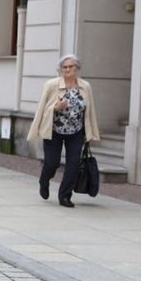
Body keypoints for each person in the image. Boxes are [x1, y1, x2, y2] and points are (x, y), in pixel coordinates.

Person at [28, 54, 100, 208]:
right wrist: (56, 107)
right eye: (64, 67)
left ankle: (65, 196)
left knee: (73, 165)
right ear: (60, 70)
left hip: (76, 132)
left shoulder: (85, 86)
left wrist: (91, 133)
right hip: (54, 131)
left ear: (77, 69)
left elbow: (90, 111)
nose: (67, 70)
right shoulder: (51, 85)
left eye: (71, 67)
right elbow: (42, 109)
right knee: (52, 163)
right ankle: (44, 180)